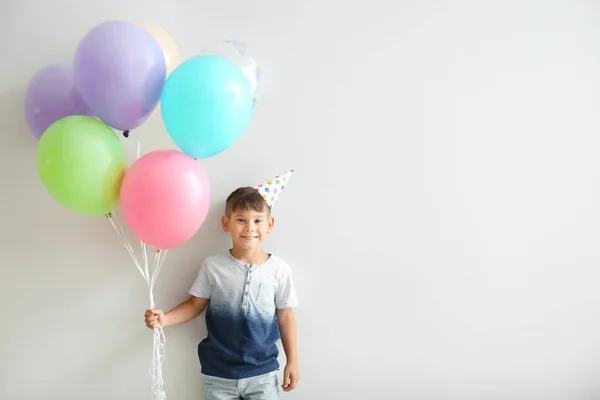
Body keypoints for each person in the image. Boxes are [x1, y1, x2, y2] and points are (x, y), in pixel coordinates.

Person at [144, 170, 299, 400]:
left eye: (257, 220)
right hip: (219, 374)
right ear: (226, 223)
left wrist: (292, 361)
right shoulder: (213, 266)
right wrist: (165, 319)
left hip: (263, 373)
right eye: (241, 220)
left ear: (270, 225)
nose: (249, 228)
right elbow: (195, 304)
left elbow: (285, 316)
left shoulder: (280, 270)